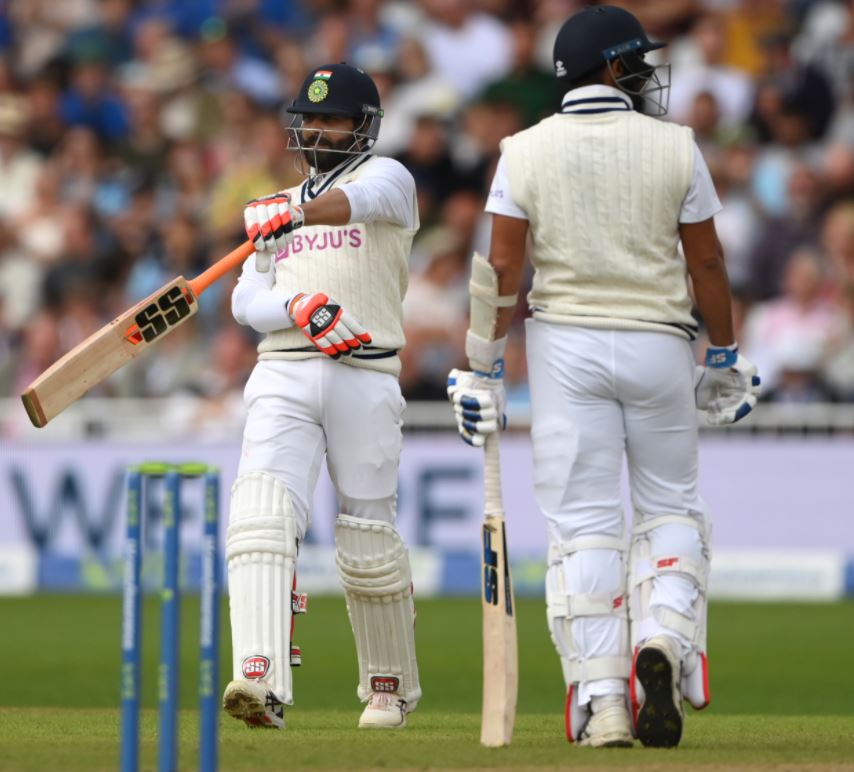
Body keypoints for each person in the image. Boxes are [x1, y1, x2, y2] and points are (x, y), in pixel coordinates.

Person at [447, 6, 760, 749]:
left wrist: (482, 368)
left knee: (584, 523)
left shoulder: (520, 150)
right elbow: (707, 263)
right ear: (614, 69)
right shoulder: (676, 146)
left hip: (565, 349)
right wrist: (723, 356)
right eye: (639, 63)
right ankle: (664, 642)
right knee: (671, 508)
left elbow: (501, 270)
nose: (649, 74)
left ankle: (602, 700)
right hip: (658, 343)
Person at [221, 63, 421, 730]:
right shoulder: (276, 204)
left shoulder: (391, 179)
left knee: (367, 534)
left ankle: (387, 690)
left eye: (335, 118)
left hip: (366, 371)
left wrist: (295, 214)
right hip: (283, 368)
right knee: (259, 516)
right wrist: (297, 304)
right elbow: (246, 300)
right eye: (310, 118)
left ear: (363, 125)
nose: (319, 128)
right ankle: (259, 680)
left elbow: (361, 205)